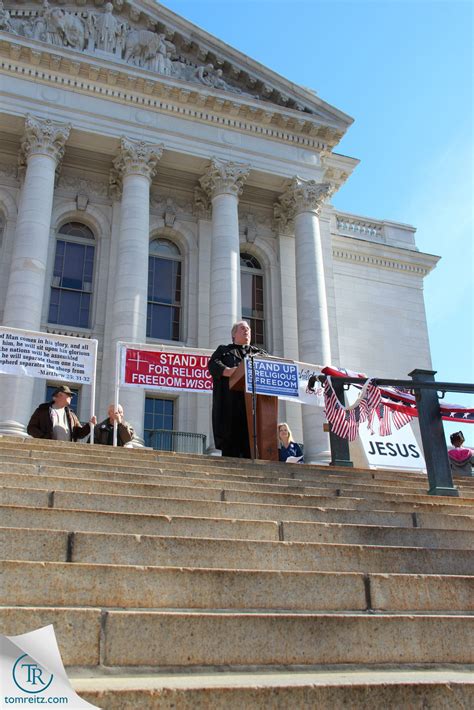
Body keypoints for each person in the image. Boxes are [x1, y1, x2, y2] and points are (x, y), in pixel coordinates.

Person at [208, 320, 266, 458]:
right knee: (231, 447)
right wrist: (227, 371)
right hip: (230, 405)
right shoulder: (224, 351)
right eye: (242, 328)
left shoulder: (259, 353)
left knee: (250, 445)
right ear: (234, 334)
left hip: (252, 407)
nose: (246, 330)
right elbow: (213, 364)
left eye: (248, 329)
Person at [27, 385, 96, 441]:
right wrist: (44, 438)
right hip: (47, 448)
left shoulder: (72, 415)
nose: (71, 397)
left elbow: (79, 434)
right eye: (69, 394)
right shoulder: (43, 410)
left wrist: (90, 425)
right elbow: (31, 428)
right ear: (59, 394)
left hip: (66, 450)